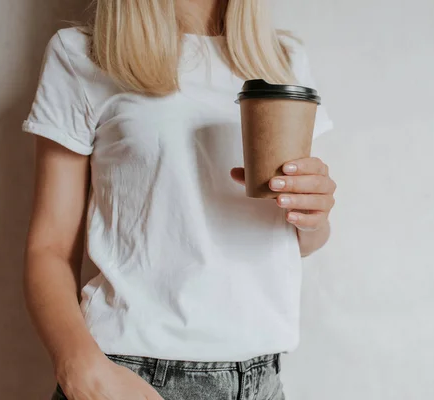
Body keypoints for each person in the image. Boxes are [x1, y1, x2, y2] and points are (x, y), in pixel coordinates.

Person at [22, 0, 335, 399]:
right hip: (136, 375)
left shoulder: (282, 59)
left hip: (263, 381)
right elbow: (48, 248)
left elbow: (297, 240)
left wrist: (313, 215)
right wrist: (81, 368)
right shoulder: (83, 54)